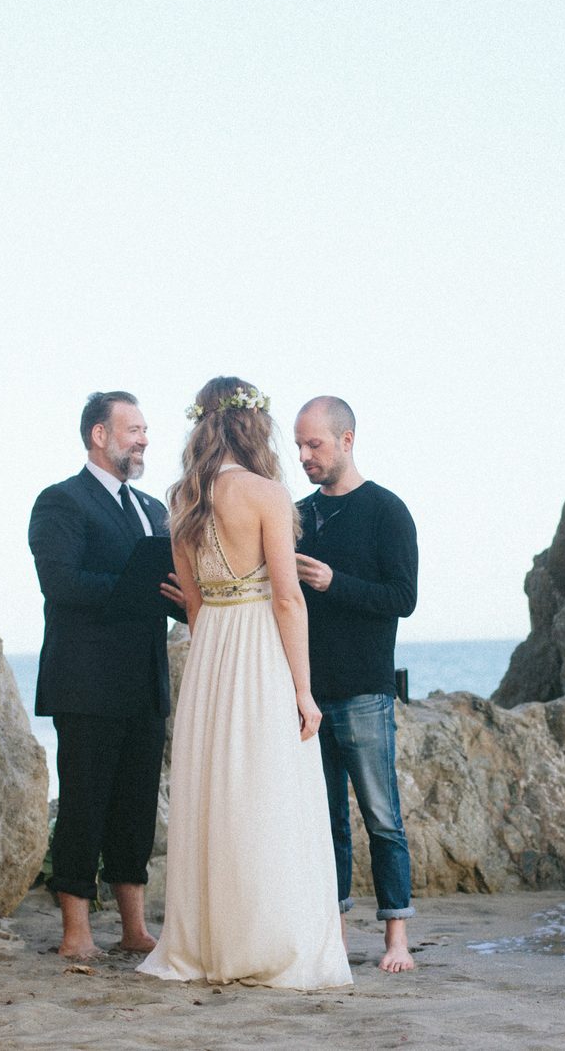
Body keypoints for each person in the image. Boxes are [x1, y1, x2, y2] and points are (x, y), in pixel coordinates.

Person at [137, 377, 351, 990]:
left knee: (215, 797)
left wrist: (214, 656)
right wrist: (304, 692)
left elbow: (197, 604)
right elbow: (287, 599)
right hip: (258, 649)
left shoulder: (184, 496)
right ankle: (267, 942)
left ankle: (207, 946)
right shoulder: (267, 493)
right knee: (268, 795)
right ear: (253, 425)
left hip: (211, 653)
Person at [28, 390, 185, 960]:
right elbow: (61, 584)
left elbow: (169, 592)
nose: (144, 438)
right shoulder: (60, 502)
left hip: (145, 683)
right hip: (86, 683)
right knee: (83, 806)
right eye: (134, 428)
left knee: (136, 809)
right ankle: (75, 933)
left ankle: (135, 929)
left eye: (146, 430)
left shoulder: (151, 509)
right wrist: (135, 588)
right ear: (99, 434)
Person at [292, 395, 418, 973]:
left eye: (314, 444)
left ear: (347, 441)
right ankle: (336, 936)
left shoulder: (387, 511)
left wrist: (333, 582)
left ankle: (396, 940)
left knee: (382, 818)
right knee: (326, 823)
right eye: (298, 446)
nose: (304, 456)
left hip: (366, 691)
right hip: (308, 695)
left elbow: (402, 599)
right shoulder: (295, 515)